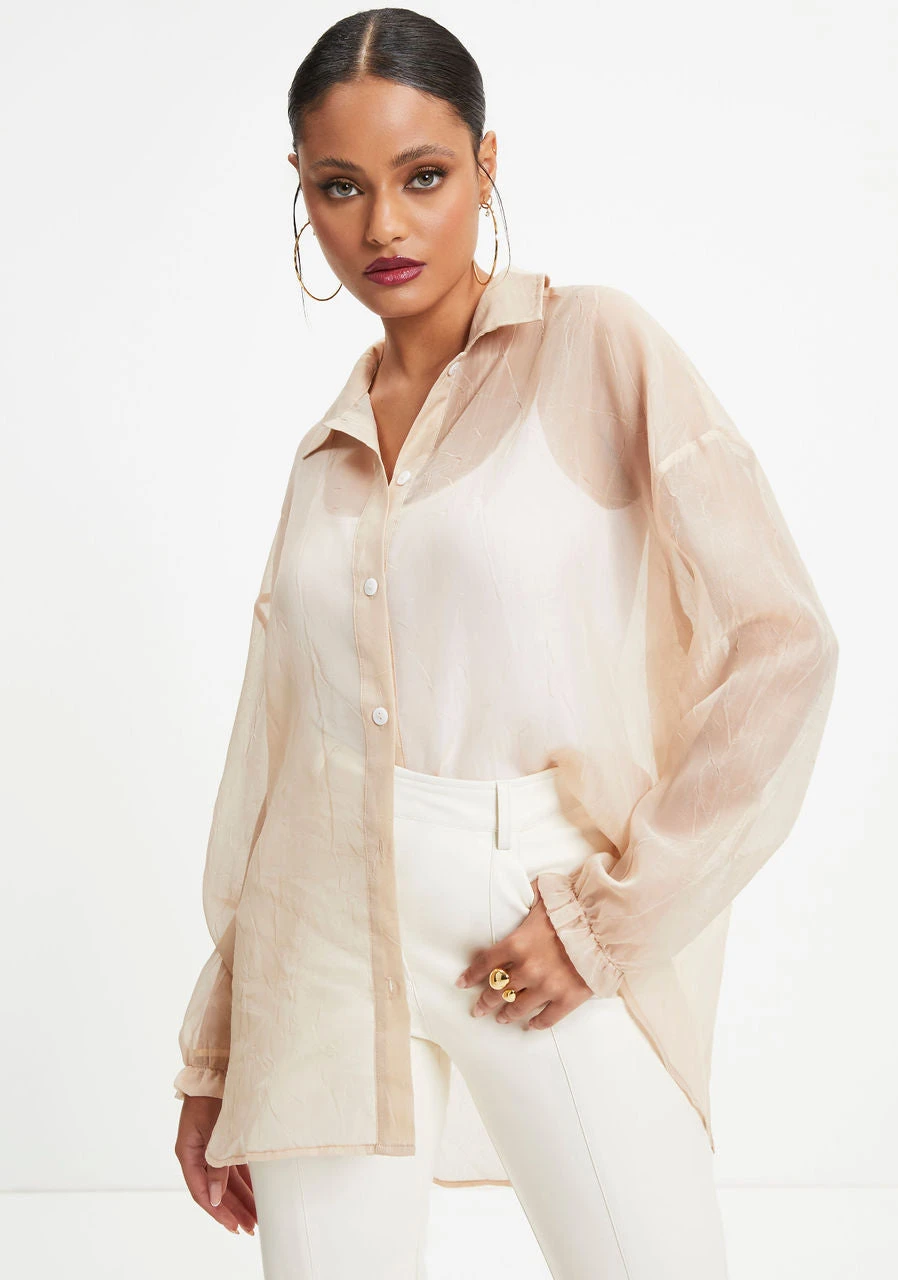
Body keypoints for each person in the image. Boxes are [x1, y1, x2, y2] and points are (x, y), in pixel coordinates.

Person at [172, 9, 839, 1279]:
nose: (384, 225)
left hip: (524, 905)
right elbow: (272, 758)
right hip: (316, 937)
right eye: (340, 187)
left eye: (423, 175)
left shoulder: (596, 349)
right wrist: (216, 1050)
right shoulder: (323, 455)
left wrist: (609, 920)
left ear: (486, 166)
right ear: (301, 193)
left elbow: (782, 640)